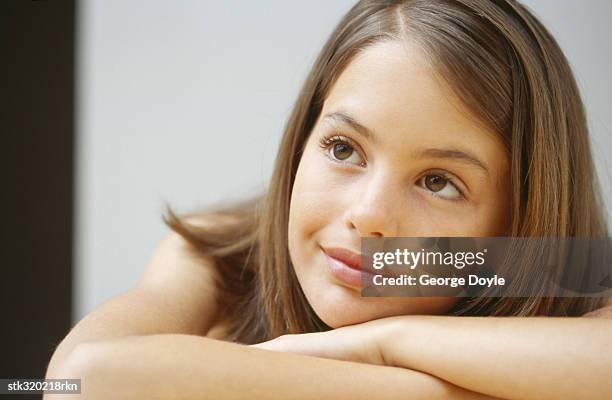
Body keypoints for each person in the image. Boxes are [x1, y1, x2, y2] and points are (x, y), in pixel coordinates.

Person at [46, 1, 612, 399]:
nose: (367, 214)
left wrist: (384, 344)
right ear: (302, 140)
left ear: (514, 229)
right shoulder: (218, 257)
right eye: (344, 148)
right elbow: (81, 380)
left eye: (438, 182)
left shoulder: (571, 279)